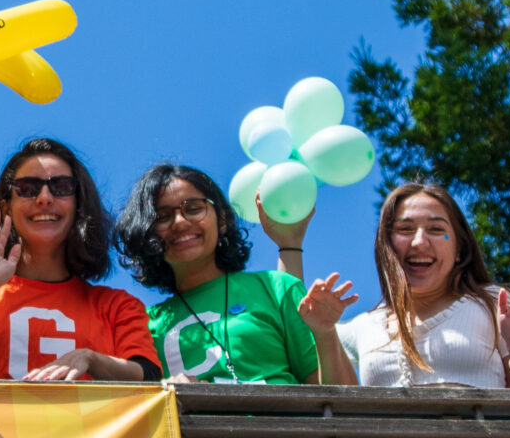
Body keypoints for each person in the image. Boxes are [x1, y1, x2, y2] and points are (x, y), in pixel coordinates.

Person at [318, 180, 510, 389]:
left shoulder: (495, 304)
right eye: (404, 229)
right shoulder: (363, 327)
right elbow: (330, 403)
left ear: (460, 248)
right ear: (386, 245)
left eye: (437, 229)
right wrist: (289, 243)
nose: (420, 241)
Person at [0, 139, 159, 381]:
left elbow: (148, 377)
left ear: (79, 204)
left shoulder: (117, 307)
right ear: (7, 207)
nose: (44, 198)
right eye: (27, 187)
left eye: (62, 186)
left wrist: (91, 359)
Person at [115, 163, 354, 384]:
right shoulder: (142, 326)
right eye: (162, 217)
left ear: (221, 220)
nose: (179, 221)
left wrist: (325, 333)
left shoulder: (277, 288)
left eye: (194, 208)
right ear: (147, 235)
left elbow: (343, 407)